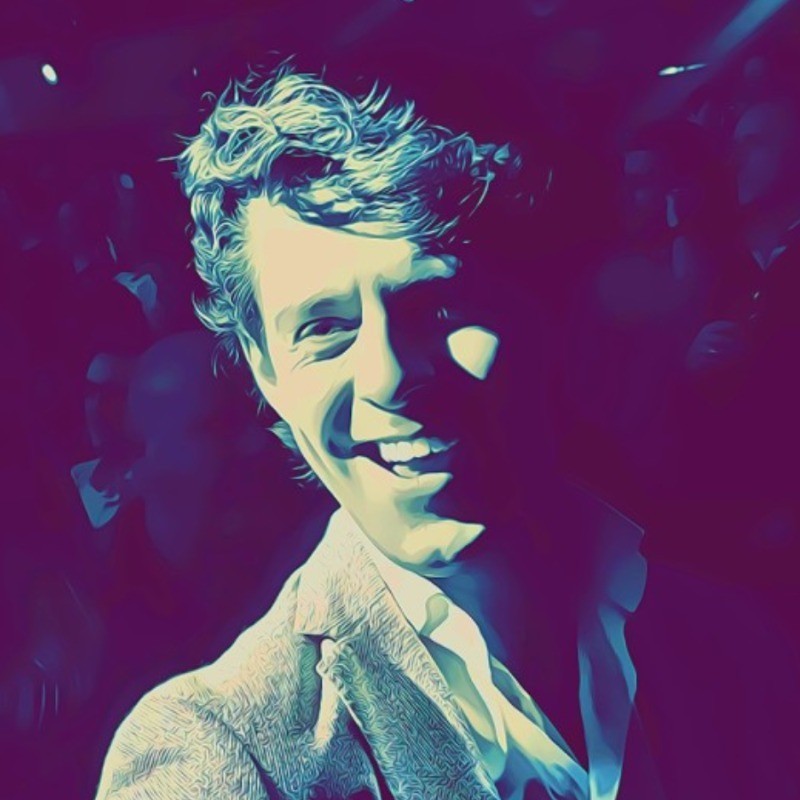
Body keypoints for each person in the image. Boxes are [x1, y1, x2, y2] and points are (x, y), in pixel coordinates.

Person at [95, 66, 798, 800]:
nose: (389, 375)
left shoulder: (728, 635)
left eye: (435, 304)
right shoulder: (217, 752)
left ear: (535, 308)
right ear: (266, 373)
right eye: (325, 330)